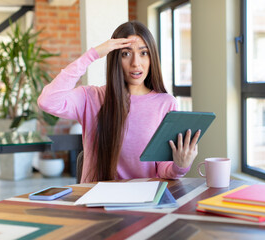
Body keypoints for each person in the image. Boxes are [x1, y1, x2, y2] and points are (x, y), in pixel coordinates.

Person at [38, 20, 200, 183]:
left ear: (152, 58)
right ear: (116, 58)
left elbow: (163, 168)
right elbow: (48, 101)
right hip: (98, 199)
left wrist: (180, 165)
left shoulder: (166, 103)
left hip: (144, 198)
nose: (136, 63)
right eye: (126, 53)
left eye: (144, 53)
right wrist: (92, 55)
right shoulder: (91, 97)